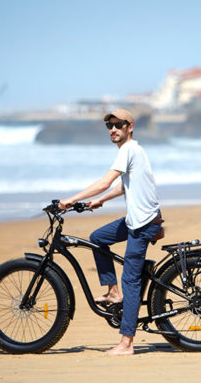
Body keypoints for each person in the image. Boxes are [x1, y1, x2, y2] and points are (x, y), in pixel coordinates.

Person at [60, 108, 162, 355]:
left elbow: (106, 181)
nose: (114, 129)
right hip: (138, 219)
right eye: (110, 126)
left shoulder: (128, 149)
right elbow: (123, 186)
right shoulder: (133, 152)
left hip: (142, 224)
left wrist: (71, 200)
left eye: (119, 124)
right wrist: (102, 200)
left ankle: (126, 343)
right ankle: (112, 292)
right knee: (97, 238)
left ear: (130, 127)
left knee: (131, 279)